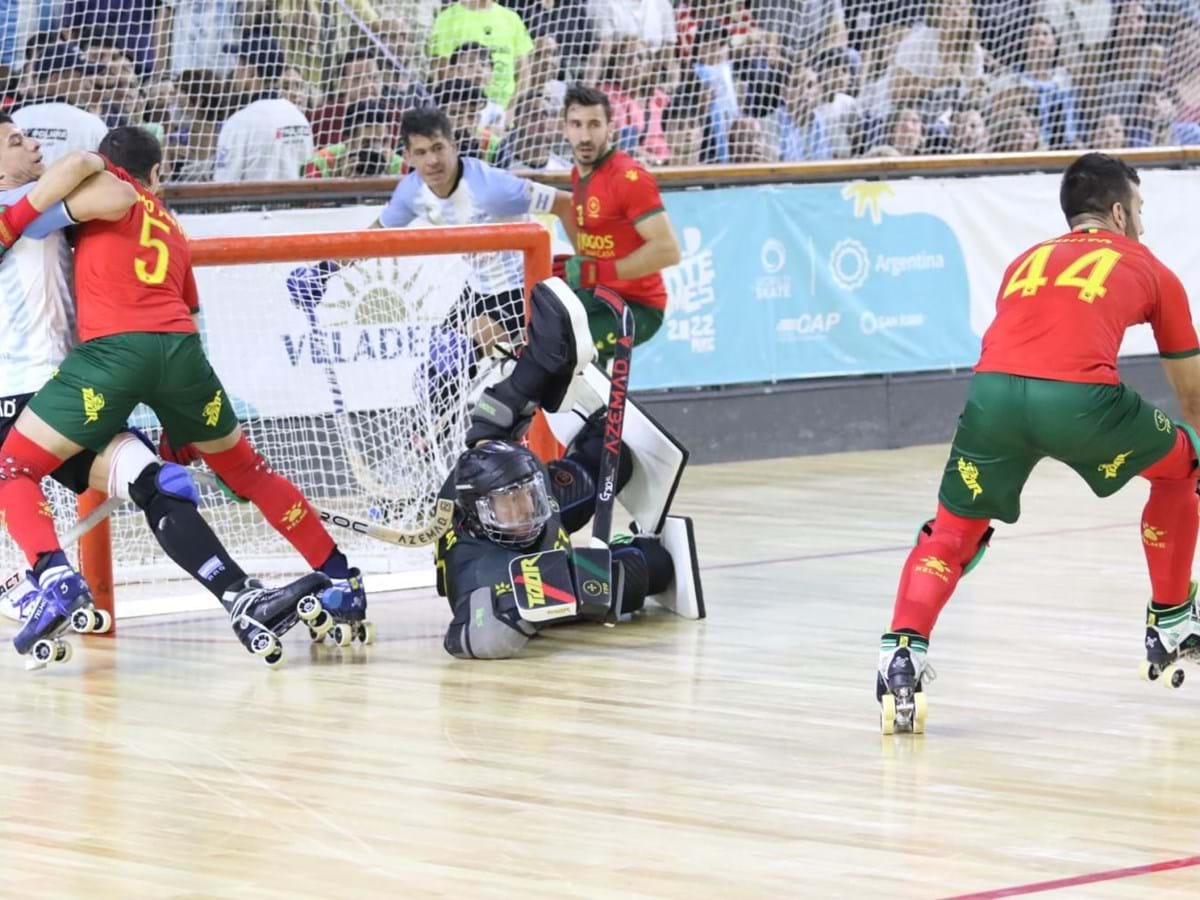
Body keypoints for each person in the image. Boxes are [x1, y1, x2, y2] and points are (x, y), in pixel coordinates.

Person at [0, 126, 368, 667]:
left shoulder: (58, 200)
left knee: (157, 483)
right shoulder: (148, 216)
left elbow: (103, 188)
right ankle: (339, 576)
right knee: (239, 472)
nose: (35, 145)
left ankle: (238, 596)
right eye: (17, 141)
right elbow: (108, 187)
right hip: (52, 385)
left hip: (84, 378)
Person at [877, 153, 1200, 733]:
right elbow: (1193, 397)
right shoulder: (1150, 268)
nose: (1144, 225)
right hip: (1081, 401)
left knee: (952, 533)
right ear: (1121, 213)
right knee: (1182, 467)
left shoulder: (1025, 260)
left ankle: (902, 654)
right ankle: (1173, 619)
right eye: (1142, 211)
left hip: (992, 398)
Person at [437, 279, 703, 659]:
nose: (524, 512)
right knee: (655, 565)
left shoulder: (520, 498)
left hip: (514, 501)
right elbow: (469, 639)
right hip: (536, 572)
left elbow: (514, 482)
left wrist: (530, 496)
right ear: (480, 517)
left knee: (614, 458)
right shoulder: (478, 569)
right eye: (512, 507)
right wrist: (557, 593)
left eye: (526, 500)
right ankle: (626, 551)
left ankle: (544, 364)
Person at [557, 84, 681, 360]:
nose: (585, 135)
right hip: (600, 294)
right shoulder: (580, 174)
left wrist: (596, 272)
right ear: (564, 128)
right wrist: (579, 263)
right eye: (576, 125)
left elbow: (668, 251)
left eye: (594, 125)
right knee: (541, 321)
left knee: (569, 349)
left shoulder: (628, 178)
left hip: (638, 307)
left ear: (610, 128)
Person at [213, 26, 314, 182]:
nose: (236, 70)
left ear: (251, 71)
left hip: (252, 205)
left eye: (240, 64)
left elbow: (223, 184)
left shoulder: (239, 123)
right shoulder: (299, 118)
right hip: (297, 205)